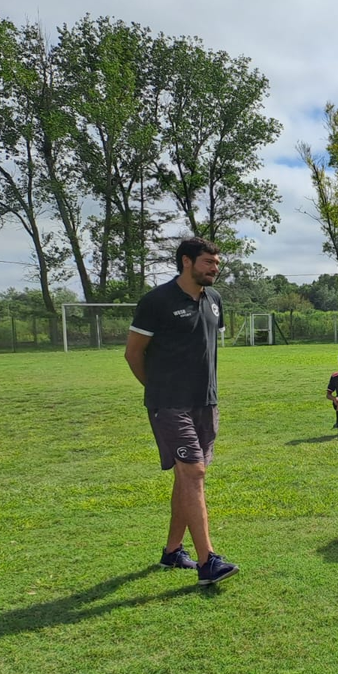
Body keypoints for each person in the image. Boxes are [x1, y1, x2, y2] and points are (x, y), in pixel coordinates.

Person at [124, 236, 238, 586]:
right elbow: (133, 354)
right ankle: (208, 561)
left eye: (217, 263)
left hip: (206, 402)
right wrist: (158, 392)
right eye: (208, 262)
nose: (214, 269)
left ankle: (173, 551)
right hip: (169, 404)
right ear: (186, 261)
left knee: (187, 476)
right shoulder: (156, 301)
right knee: (195, 474)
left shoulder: (214, 300)